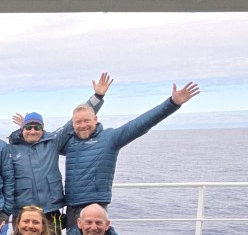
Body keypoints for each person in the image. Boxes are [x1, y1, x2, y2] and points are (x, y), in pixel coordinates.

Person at [60, 82, 201, 227]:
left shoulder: (109, 138)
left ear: (95, 120)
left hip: (96, 207)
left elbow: (140, 124)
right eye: (78, 122)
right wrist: (97, 96)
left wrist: (172, 103)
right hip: (72, 208)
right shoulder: (69, 144)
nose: (82, 125)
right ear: (73, 124)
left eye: (86, 120)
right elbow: (56, 137)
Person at [7, 73, 112, 235]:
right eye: (28, 127)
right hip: (23, 212)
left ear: (43, 129)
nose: (33, 131)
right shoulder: (11, 150)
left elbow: (76, 120)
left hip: (51, 211)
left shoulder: (53, 142)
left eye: (37, 127)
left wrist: (98, 96)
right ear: (22, 130)